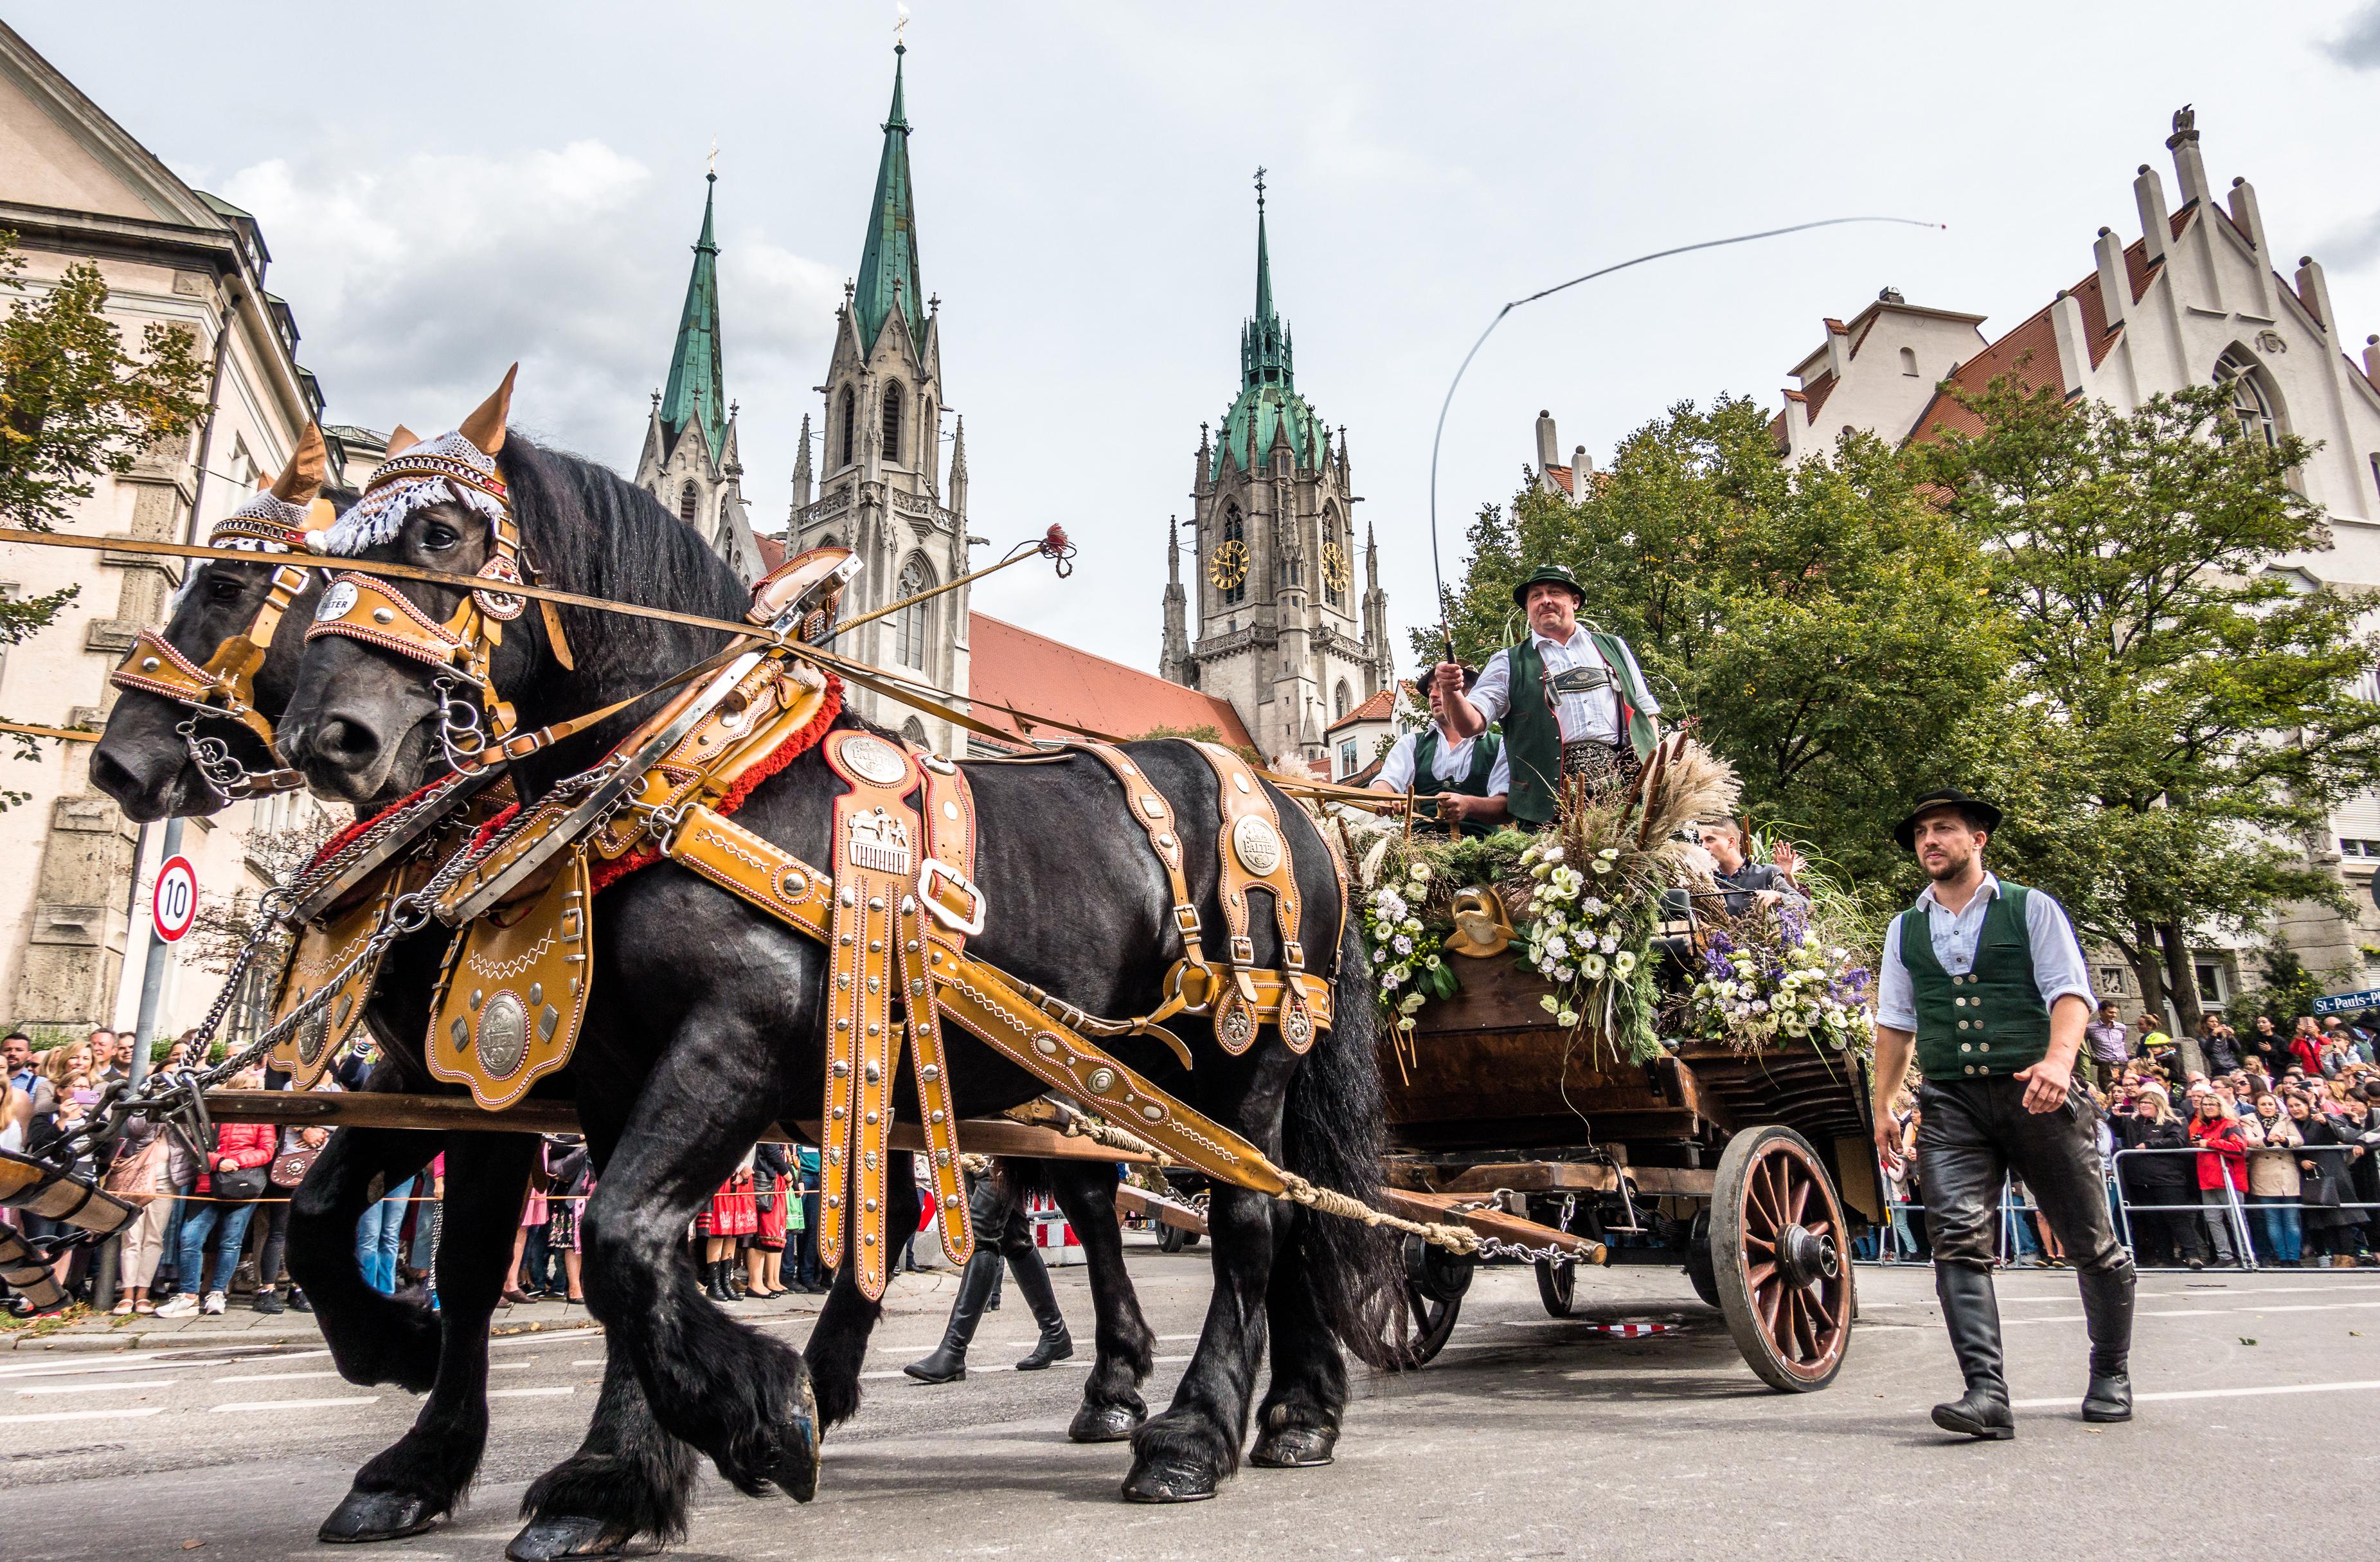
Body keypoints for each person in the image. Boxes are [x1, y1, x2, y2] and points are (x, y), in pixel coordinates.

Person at [1868, 788, 2133, 1438]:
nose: (1930, 841)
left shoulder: (2029, 908)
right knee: (1955, 1240)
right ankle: (1985, 1394)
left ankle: (2111, 1372)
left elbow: (2070, 992)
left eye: (1945, 830)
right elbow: (1896, 1026)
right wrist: (1881, 1104)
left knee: (2088, 1241)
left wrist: (2058, 1062)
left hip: (2035, 1091)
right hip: (1952, 1101)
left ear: (1977, 839)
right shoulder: (1904, 927)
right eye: (1922, 833)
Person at [1432, 562, 1661, 829]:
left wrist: (1653, 776)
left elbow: (1646, 715)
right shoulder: (1507, 662)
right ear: (1528, 608)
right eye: (1536, 596)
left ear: (1575, 601)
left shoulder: (1614, 648)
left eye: (1554, 592)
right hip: (1549, 807)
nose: (1545, 601)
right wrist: (1452, 693)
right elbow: (1470, 725)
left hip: (1624, 795)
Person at [905, 1165, 1073, 1383]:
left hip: (1001, 1154)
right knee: (1014, 1238)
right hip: (977, 1150)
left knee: (980, 1233)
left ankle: (953, 1351)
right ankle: (1055, 1332)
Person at [155, 1072, 273, 1316]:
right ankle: (188, 1295)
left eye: (253, 1087)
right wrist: (218, 1161)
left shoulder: (261, 1118)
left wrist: (236, 1161)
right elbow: (197, 1145)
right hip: (209, 1183)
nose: (249, 1092)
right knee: (190, 1238)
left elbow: (266, 1151)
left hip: (244, 1185)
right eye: (244, 1088)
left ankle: (217, 1293)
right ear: (233, 1089)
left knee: (231, 1242)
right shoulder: (213, 1114)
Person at [1369, 669, 1508, 836]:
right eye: (1429, 690)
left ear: (1470, 693)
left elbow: (1507, 808)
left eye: (1441, 688)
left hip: (1487, 852)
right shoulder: (1411, 743)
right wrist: (1384, 795)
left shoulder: (1500, 745)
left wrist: (1469, 805)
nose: (1433, 695)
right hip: (1422, 853)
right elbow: (1385, 781)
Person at [2111, 1088, 2202, 1266]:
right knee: (2154, 1220)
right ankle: (2165, 1257)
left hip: (2168, 1178)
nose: (2143, 1105)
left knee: (2177, 1217)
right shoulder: (2132, 1121)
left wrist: (2150, 1145)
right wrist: (2115, 1117)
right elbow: (2116, 1132)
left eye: (2147, 1103)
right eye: (2141, 1102)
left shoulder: (2172, 1121)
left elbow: (2178, 1141)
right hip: (2139, 1179)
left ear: (2158, 1105)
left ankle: (2193, 1255)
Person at [1699, 818, 1807, 919]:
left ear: (1731, 842)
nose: (1704, 846)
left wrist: (1777, 895)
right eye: (1701, 842)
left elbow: (1807, 906)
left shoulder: (1766, 873)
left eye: (1710, 840)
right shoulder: (1703, 881)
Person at [2184, 1091, 2246, 1266]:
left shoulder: (2231, 1124)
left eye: (2212, 1104)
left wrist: (2209, 1143)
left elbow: (2239, 1148)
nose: (2208, 1107)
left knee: (2236, 1219)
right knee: (2212, 1220)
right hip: (2207, 1179)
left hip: (2229, 1179)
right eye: (2205, 1105)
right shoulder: (2200, 1126)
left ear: (2221, 1106)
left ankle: (2246, 1255)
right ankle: (2225, 1257)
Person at [2241, 1092, 2304, 1266]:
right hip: (2263, 1173)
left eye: (2271, 1104)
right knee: (2272, 1219)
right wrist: (2266, 1140)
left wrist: (2285, 1140)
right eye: (2264, 1104)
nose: (2268, 1107)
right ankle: (2282, 1257)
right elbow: (2247, 1140)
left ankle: (2294, 1257)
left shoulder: (2286, 1119)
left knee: (2291, 1219)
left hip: (2287, 1172)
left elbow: (2298, 1139)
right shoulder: (2247, 1120)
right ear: (2257, 1106)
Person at [746, 1141, 791, 1299]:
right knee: (759, 1234)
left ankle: (766, 1281)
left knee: (766, 1235)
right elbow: (772, 1151)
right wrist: (788, 1174)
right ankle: (755, 1283)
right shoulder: (771, 1129)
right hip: (763, 1180)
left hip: (772, 1180)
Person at [2082, 1003, 2131, 1094]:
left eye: (2115, 1013)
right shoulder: (2090, 1028)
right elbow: (2081, 1046)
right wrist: (2091, 1059)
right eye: (2111, 1012)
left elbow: (2122, 1043)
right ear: (2101, 1012)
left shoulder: (2121, 1027)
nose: (2114, 1015)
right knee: (2110, 1094)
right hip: (2105, 1067)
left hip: (2123, 1065)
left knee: (2127, 1093)